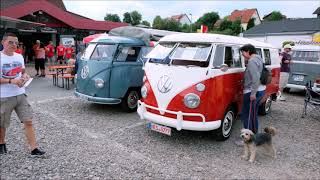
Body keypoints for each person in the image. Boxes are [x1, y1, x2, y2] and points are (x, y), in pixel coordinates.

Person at [0, 32, 45, 155]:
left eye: (16, 42)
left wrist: (24, 76)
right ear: (3, 42)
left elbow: (22, 71)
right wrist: (12, 81)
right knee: (2, 124)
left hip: (20, 94)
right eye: (11, 42)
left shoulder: (19, 57)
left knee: (28, 121)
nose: (14, 45)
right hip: (4, 96)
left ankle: (34, 148)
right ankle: (2, 143)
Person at [235, 44, 266, 146]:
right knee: (253, 115)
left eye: (243, 53)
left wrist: (253, 93)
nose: (243, 55)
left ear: (248, 51)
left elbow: (255, 78)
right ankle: (255, 137)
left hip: (252, 91)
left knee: (247, 115)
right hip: (260, 90)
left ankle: (247, 140)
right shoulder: (259, 58)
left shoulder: (252, 61)